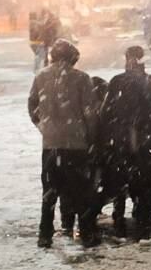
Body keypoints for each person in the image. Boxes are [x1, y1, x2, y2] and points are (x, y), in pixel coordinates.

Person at [28, 39, 101, 248]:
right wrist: (92, 138)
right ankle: (86, 232)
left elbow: (32, 104)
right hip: (76, 143)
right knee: (80, 190)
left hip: (51, 144)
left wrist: (43, 126)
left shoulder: (41, 77)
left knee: (50, 191)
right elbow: (90, 113)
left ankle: (45, 233)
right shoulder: (81, 78)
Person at [98, 46, 151, 239]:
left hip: (121, 141)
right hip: (145, 143)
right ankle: (143, 224)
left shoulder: (117, 82)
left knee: (121, 181)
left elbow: (105, 113)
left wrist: (109, 136)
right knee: (143, 184)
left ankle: (119, 221)